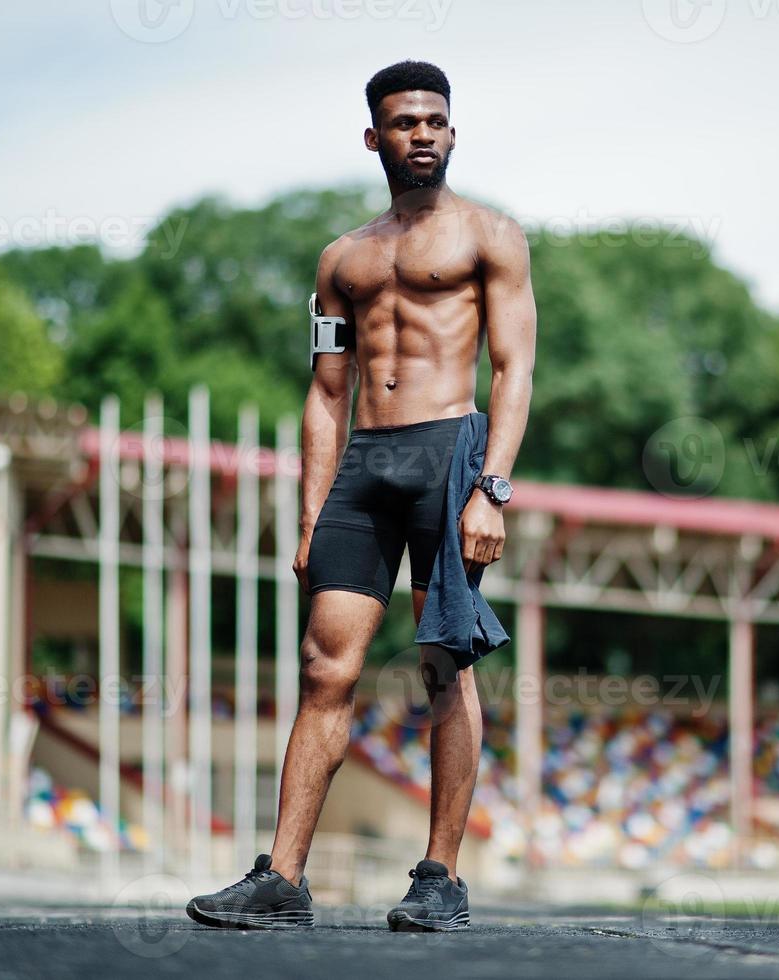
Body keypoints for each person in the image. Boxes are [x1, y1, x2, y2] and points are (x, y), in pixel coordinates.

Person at [186, 59, 536, 932]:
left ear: (452, 132)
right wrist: (311, 510)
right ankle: (282, 878)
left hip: (449, 452)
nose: (421, 132)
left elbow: (514, 367)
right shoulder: (342, 257)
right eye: (403, 121)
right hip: (364, 470)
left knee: (442, 665)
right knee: (322, 668)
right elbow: (324, 391)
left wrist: (491, 488)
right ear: (374, 137)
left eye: (434, 120)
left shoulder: (489, 235)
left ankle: (440, 876)